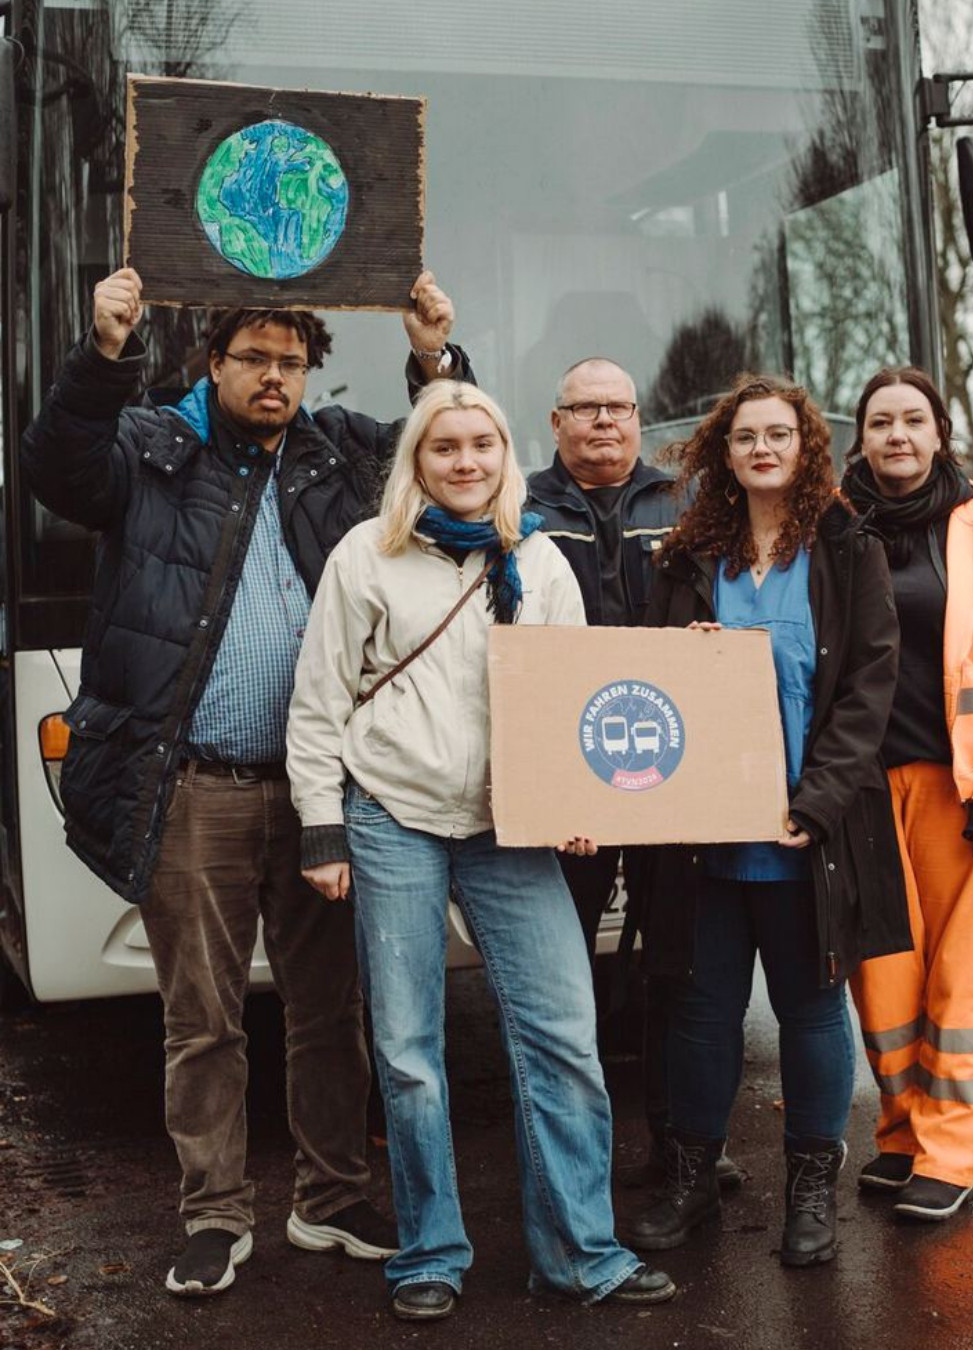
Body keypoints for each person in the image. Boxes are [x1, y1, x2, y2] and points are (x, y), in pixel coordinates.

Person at [20, 265, 471, 1296]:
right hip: (196, 791)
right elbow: (56, 467)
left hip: (319, 792)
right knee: (205, 1020)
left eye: (292, 361)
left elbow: (450, 451)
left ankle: (331, 1197)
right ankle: (214, 1216)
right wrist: (104, 352)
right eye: (254, 358)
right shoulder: (148, 448)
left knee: (330, 1009)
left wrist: (433, 354)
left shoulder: (340, 456)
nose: (275, 377)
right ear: (212, 363)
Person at [286, 381, 676, 1321]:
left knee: (562, 1036)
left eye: (482, 445)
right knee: (410, 1048)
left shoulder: (537, 560)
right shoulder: (365, 557)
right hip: (394, 815)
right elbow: (318, 702)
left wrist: (577, 802)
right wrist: (322, 825)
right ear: (416, 461)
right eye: (444, 447)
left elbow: (567, 697)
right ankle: (429, 1252)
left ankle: (579, 1253)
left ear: (506, 455)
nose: (465, 462)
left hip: (512, 826)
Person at [626, 373, 910, 1266]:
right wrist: (686, 657)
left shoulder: (849, 551)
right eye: (745, 436)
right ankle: (693, 1181)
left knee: (811, 1011)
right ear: (723, 451)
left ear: (805, 446)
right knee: (702, 1013)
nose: (762, 448)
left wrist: (817, 804)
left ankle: (811, 1192)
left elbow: (868, 692)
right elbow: (650, 684)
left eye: (779, 434)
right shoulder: (685, 558)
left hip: (808, 835)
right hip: (707, 836)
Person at [842, 367, 973, 1221]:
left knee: (961, 975)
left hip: (959, 789)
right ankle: (901, 1136)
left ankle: (952, 1149)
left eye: (912, 421)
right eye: (880, 422)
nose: (897, 435)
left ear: (938, 433)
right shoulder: (833, 524)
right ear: (859, 436)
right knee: (884, 976)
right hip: (861, 790)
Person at [526, 357, 743, 1192]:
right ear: (557, 422)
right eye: (585, 409)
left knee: (673, 967)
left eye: (618, 408)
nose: (604, 422)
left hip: (666, 770)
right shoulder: (522, 508)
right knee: (562, 970)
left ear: (638, 417)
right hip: (565, 775)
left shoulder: (685, 503)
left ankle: (685, 1141)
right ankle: (565, 1153)